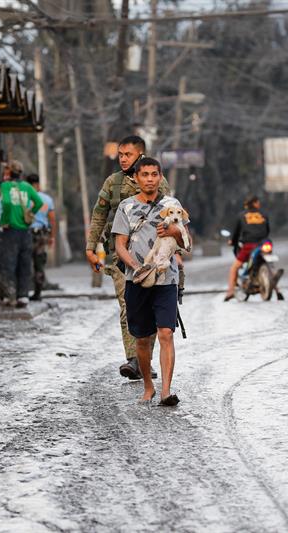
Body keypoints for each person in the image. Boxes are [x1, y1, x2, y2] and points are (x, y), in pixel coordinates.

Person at [85, 135, 170, 380]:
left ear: (141, 156)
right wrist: (91, 248)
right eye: (120, 154)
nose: (123, 159)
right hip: (120, 258)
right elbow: (99, 215)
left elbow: (171, 215)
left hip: (153, 259)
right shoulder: (113, 183)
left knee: (152, 310)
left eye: (128, 155)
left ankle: (144, 360)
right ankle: (133, 359)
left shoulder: (158, 183)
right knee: (128, 307)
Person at [112, 158, 190, 405]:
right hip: (136, 281)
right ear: (136, 178)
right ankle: (148, 387)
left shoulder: (172, 206)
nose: (149, 179)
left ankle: (166, 391)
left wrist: (174, 232)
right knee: (142, 339)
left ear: (160, 177)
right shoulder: (125, 207)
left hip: (166, 280)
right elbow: (119, 245)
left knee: (166, 333)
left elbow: (188, 243)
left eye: (154, 174)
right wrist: (136, 267)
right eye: (144, 174)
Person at [0, 162, 43, 308]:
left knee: (9, 263)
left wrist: (4, 220)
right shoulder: (27, 186)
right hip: (26, 232)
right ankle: (23, 296)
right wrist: (29, 214)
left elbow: (5, 202)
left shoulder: (6, 186)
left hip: (10, 230)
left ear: (10, 173)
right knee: (24, 264)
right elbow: (38, 202)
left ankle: (9, 295)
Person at [224, 195, 270, 301]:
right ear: (254, 203)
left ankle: (230, 291)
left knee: (234, 268)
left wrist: (232, 241)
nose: (259, 204)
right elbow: (267, 231)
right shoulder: (264, 214)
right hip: (264, 244)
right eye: (258, 202)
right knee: (268, 264)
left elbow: (236, 233)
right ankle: (276, 288)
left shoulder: (241, 215)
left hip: (249, 246)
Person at [25, 174, 56, 302]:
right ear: (38, 184)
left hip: (26, 233)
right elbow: (52, 220)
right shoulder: (47, 199)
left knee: (25, 263)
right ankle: (37, 293)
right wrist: (52, 237)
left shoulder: (25, 198)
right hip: (41, 235)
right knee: (39, 264)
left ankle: (23, 293)